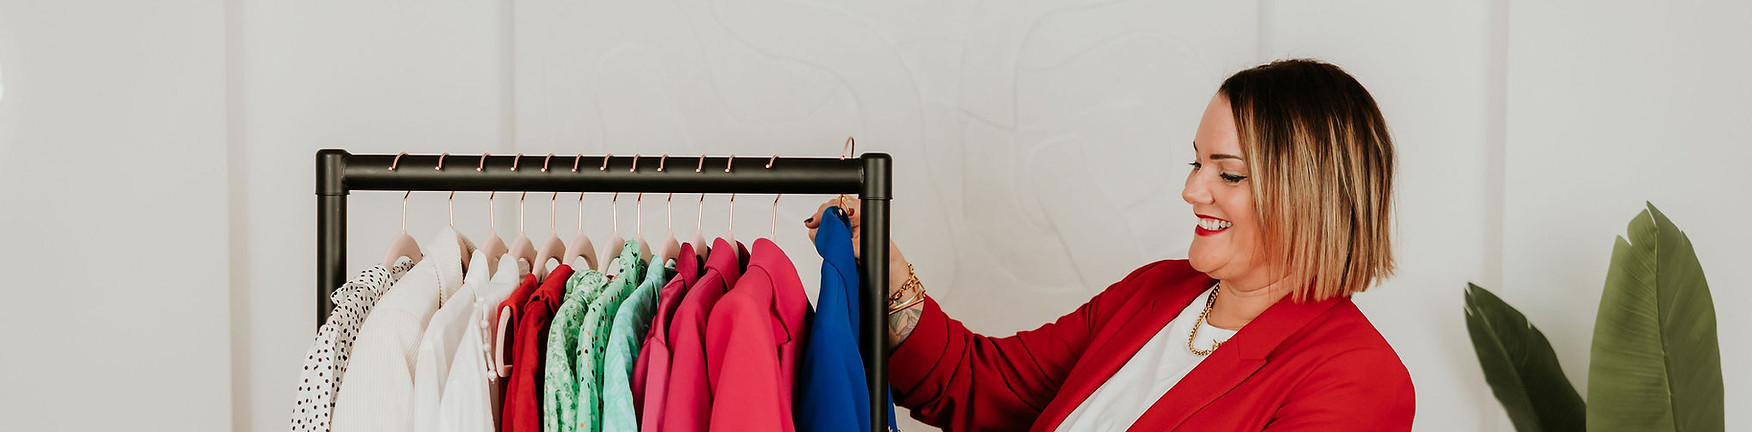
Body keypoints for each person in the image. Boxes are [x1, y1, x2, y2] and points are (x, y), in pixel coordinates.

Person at [805, 59, 1414, 431]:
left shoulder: (1358, 377)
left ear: (1309, 195)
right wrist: (883, 268)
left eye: (1227, 174)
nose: (1190, 190)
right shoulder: (1158, 290)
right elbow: (983, 386)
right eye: (1195, 162)